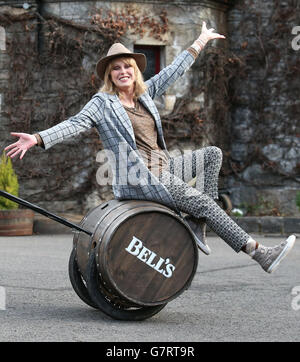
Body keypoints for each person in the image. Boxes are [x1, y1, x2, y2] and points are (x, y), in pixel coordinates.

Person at [5, 21, 295, 273]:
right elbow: (74, 123)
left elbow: (173, 72)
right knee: (206, 202)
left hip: (164, 167)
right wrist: (38, 138)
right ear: (109, 76)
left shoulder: (144, 96)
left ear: (135, 70)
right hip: (141, 177)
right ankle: (258, 252)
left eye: (127, 66)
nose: (122, 71)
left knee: (212, 155)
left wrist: (200, 41)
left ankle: (197, 223)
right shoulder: (102, 104)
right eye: (115, 68)